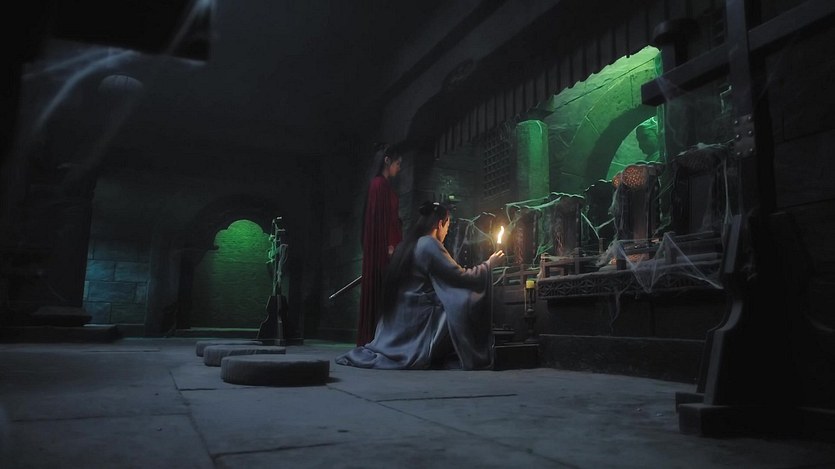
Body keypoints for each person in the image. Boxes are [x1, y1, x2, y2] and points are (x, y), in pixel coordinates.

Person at [337, 201, 505, 370]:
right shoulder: (429, 244)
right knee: (466, 300)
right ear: (440, 224)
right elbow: (460, 277)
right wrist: (489, 265)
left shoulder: (406, 245)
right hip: (416, 319)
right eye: (447, 226)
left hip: (398, 318)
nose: (447, 232)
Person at [356, 143, 403, 346]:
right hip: (384, 251)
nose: (399, 168)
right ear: (387, 161)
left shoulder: (382, 186)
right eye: (397, 163)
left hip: (388, 249)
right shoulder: (378, 185)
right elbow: (381, 221)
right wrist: (389, 246)